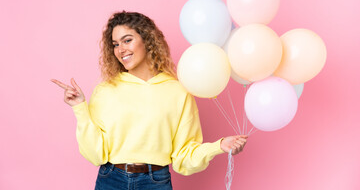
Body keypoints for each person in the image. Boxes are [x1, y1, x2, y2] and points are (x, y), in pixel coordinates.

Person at [51, 11, 248, 190]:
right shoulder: (105, 90)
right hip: (111, 180)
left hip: (156, 182)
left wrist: (218, 146)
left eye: (127, 40)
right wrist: (79, 107)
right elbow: (95, 154)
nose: (121, 50)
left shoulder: (177, 91)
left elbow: (183, 157)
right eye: (115, 44)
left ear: (147, 40)